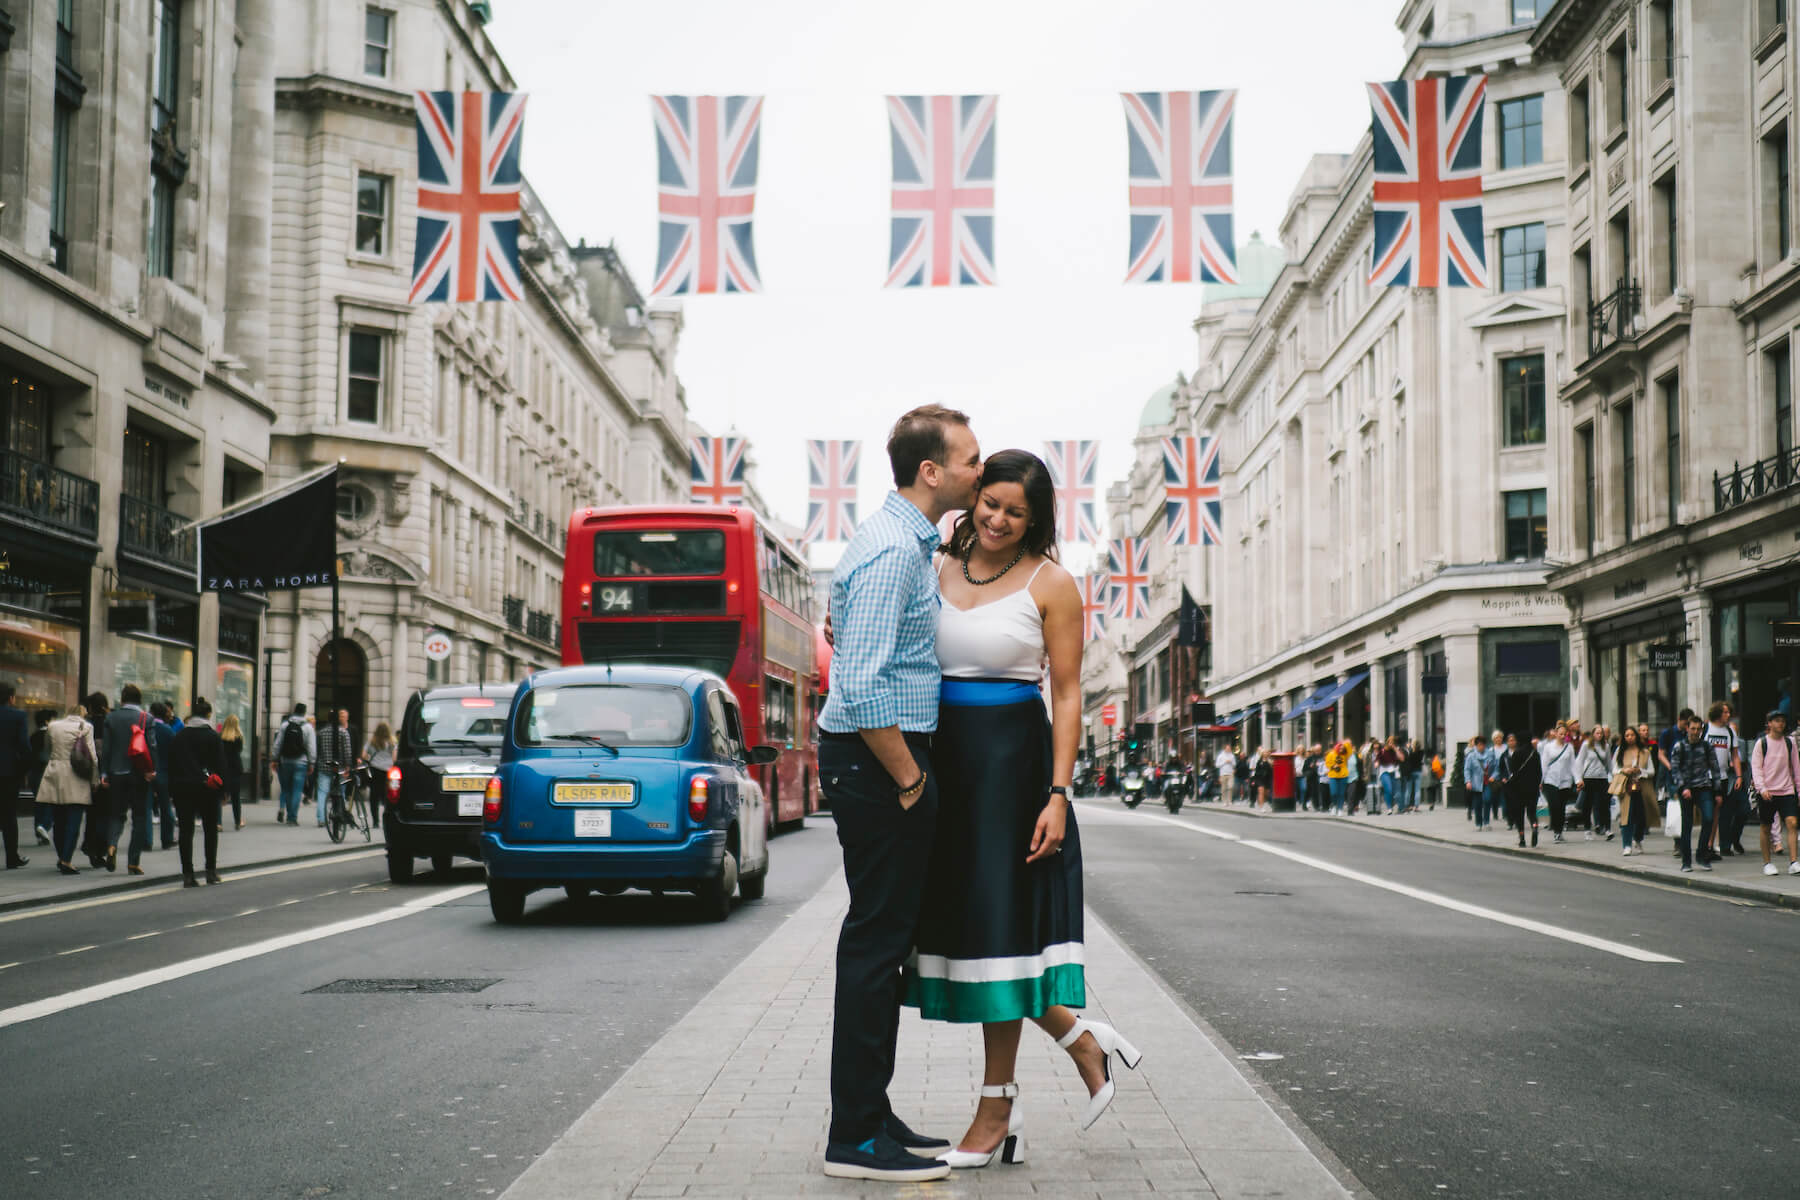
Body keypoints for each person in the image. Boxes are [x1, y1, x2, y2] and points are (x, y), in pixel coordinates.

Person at [905, 449, 1138, 1172]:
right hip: (943, 770)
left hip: (1012, 774)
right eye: (991, 503)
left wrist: (1059, 796)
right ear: (973, 499)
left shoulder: (1052, 583)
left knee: (999, 937)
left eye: (1016, 511)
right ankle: (1081, 1041)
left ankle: (997, 1106)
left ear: (1036, 520)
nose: (999, 519)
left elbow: (1067, 694)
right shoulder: (936, 566)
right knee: (970, 937)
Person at [815, 404, 980, 1183]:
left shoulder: (904, 544)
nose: (980, 473)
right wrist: (910, 778)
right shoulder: (889, 553)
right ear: (932, 472)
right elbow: (858, 682)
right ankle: (854, 1137)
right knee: (877, 946)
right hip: (881, 762)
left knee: (882, 942)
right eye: (971, 460)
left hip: (881, 761)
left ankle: (869, 1114)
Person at [168, 698, 226, 886]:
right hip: (208, 788)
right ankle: (211, 871)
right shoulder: (213, 737)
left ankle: (188, 874)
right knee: (210, 830)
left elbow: (172, 765)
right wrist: (224, 790)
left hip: (183, 787)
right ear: (208, 715)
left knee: (186, 831)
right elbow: (220, 765)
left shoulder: (180, 736)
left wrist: (172, 789)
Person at [35, 704, 97, 875]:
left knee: (58, 820)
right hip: (76, 774)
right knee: (74, 820)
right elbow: (91, 755)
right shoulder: (86, 726)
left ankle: (61, 855)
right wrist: (95, 780)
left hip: (55, 773)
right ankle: (66, 860)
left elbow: (47, 750)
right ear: (83, 714)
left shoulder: (53, 726)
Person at [101, 684, 157, 874]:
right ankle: (133, 861)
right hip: (138, 774)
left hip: (116, 773)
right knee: (139, 817)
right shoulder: (146, 718)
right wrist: (151, 770)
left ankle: (112, 845)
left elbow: (106, 749)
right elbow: (151, 746)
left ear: (122, 698)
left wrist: (104, 774)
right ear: (139, 699)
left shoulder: (111, 717)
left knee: (116, 814)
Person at [1670, 713, 1725, 872]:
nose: (1695, 732)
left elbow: (1715, 769)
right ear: (1687, 728)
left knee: (1708, 818)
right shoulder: (1679, 746)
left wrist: (1718, 792)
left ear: (1702, 730)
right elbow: (1675, 770)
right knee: (1687, 825)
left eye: (1698, 729)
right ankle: (1686, 862)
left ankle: (1702, 855)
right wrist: (1683, 787)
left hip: (1704, 787)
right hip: (1686, 788)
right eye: (1692, 728)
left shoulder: (1707, 747)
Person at [1749, 710, 1800, 877]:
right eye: (1777, 721)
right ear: (1769, 723)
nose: (1781, 724)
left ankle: (1794, 862)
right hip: (1768, 792)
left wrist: (1798, 790)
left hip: (1786, 790)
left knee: (1792, 823)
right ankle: (1767, 863)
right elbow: (1756, 768)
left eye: (1783, 721)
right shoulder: (1761, 743)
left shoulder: (1790, 742)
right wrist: (1762, 789)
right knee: (1766, 827)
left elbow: (1796, 768)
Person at [1703, 703, 1746, 858]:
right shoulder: (1705, 729)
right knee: (1708, 811)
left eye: (1729, 712)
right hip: (1705, 776)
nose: (1728, 715)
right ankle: (1706, 843)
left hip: (1722, 777)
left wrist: (1739, 776)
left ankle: (1709, 845)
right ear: (1717, 713)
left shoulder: (1729, 731)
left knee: (1716, 810)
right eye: (1725, 712)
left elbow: (1735, 755)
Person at [1612, 725, 1658, 857]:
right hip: (1626, 787)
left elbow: (1652, 771)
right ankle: (1626, 845)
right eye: (1627, 735)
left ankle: (1637, 839)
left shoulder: (1644, 752)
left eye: (1632, 735)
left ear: (1636, 736)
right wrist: (1623, 770)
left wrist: (1640, 771)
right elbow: (1614, 769)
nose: (1629, 738)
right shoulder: (1620, 751)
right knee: (1627, 816)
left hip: (1641, 787)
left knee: (1642, 817)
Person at [0, 683, 33, 868]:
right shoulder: (18, 716)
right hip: (9, 773)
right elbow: (24, 747)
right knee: (9, 815)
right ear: (11, 698)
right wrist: (22, 771)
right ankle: (12, 857)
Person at [80, 693, 110, 867]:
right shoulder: (109, 723)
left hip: (89, 775)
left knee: (91, 815)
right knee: (105, 814)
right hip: (107, 776)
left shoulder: (86, 725)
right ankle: (99, 850)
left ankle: (89, 845)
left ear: (90, 707)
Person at [274, 703, 315, 826]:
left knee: (286, 789)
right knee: (297, 790)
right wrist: (311, 762)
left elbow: (278, 743)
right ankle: (292, 817)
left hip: (286, 761)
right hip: (301, 762)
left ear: (294, 711)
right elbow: (311, 747)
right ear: (304, 713)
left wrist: (275, 758)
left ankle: (287, 812)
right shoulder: (308, 727)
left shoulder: (285, 725)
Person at [147, 701, 179, 850]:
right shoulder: (168, 731)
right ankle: (167, 839)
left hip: (147, 772)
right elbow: (175, 755)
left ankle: (146, 840)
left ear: (152, 713)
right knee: (165, 807)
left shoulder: (146, 728)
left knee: (145, 807)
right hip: (164, 773)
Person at [1538, 724, 1577, 844]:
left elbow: (1573, 765)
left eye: (1565, 734)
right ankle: (1556, 831)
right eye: (1560, 733)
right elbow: (1544, 764)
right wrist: (1540, 780)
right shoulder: (1548, 747)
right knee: (1554, 806)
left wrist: (1577, 779)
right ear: (1555, 733)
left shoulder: (1569, 747)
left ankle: (1559, 832)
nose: (1563, 736)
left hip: (1565, 781)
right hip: (1550, 780)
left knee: (1561, 807)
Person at [315, 708, 354, 828]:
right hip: (340, 768)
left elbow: (319, 750)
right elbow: (347, 751)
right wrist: (348, 765)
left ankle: (321, 819)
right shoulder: (343, 732)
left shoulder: (321, 732)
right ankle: (340, 815)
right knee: (341, 792)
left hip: (324, 766)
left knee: (322, 793)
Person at [1504, 732, 1542, 848]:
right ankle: (1534, 825)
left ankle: (1522, 838)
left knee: (1519, 814)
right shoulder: (1535, 753)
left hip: (1518, 789)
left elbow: (1513, 771)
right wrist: (1536, 784)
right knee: (1531, 812)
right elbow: (1539, 772)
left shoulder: (1517, 753)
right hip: (1533, 788)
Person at [1576, 727, 1615, 841]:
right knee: (1587, 805)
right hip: (1588, 778)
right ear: (1593, 734)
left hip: (1602, 778)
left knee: (1604, 804)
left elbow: (1609, 763)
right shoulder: (1586, 745)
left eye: (1601, 733)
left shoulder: (1606, 746)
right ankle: (1587, 829)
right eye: (1597, 733)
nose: (1599, 735)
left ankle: (1607, 829)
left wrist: (1611, 777)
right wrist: (1579, 779)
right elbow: (1579, 761)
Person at [360, 720, 396, 829]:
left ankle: (375, 821)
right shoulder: (392, 742)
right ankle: (387, 819)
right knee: (386, 796)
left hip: (375, 770)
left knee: (374, 796)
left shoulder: (372, 741)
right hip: (388, 771)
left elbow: (363, 755)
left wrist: (370, 759)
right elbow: (394, 758)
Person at [30, 707, 55, 845]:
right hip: (47, 771)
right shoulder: (50, 735)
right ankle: (44, 826)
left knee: (38, 803)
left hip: (34, 773)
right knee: (51, 802)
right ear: (47, 721)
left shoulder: (33, 736)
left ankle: (39, 832)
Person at [219, 715, 246, 830]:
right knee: (236, 797)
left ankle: (218, 823)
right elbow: (239, 751)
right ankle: (237, 821)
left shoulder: (220, 737)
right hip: (235, 768)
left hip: (223, 768)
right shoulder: (238, 737)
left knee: (219, 796)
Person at [1462, 734, 1490, 830]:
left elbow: (1495, 767)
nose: (1481, 747)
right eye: (1479, 745)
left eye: (1483, 745)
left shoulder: (1490, 754)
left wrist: (1494, 776)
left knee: (1487, 800)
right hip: (1476, 782)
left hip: (1487, 781)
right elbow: (1467, 769)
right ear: (1476, 745)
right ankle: (1479, 823)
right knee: (1477, 804)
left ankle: (1486, 821)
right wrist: (1468, 781)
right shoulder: (1471, 756)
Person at [1375, 736, 1402, 814]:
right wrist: (1376, 764)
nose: (1391, 744)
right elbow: (1377, 759)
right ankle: (1389, 808)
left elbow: (1401, 758)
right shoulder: (1382, 751)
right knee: (1388, 789)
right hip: (1384, 771)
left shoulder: (1395, 751)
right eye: (1390, 743)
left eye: (1393, 743)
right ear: (1387, 743)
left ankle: (1392, 804)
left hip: (1393, 771)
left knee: (1394, 791)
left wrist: (1395, 749)